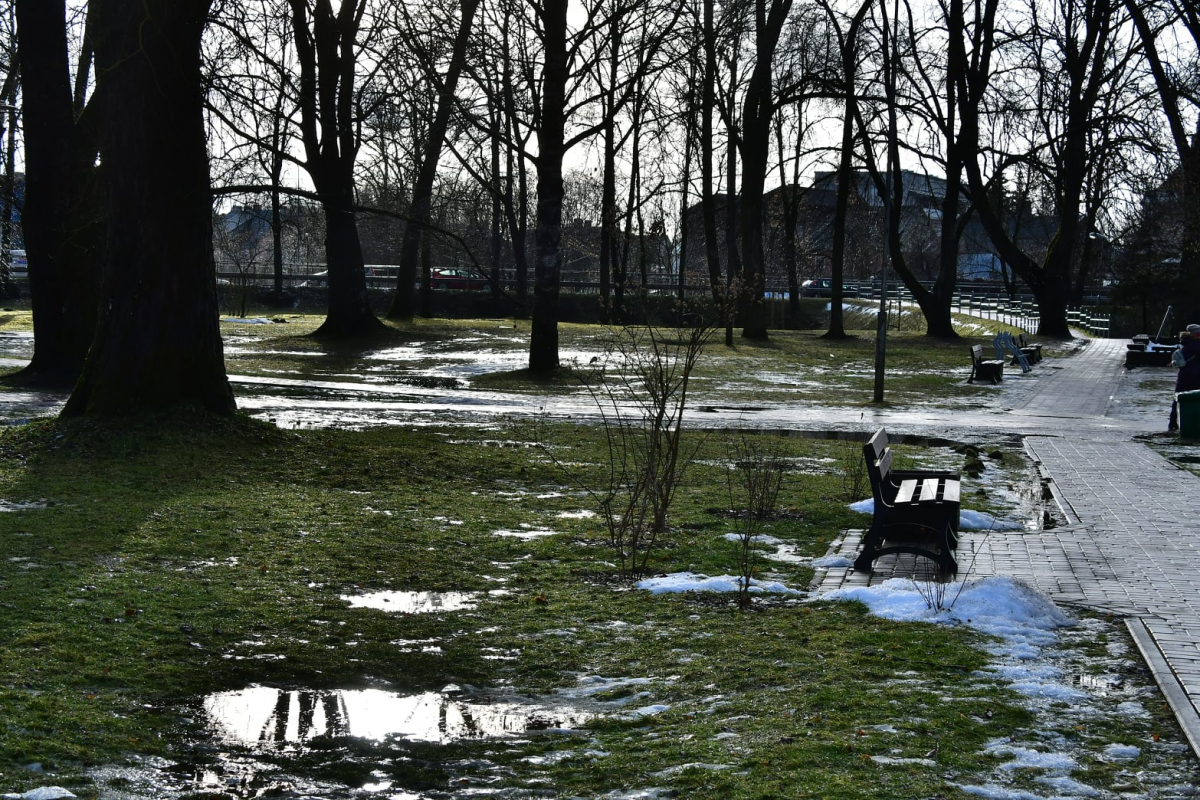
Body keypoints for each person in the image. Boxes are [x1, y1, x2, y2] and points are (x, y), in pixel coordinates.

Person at [1169, 323, 1200, 431]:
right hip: (1196, 377)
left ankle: (1173, 424)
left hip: (1183, 377)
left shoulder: (1185, 344)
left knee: (1178, 399)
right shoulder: (1196, 345)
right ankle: (1193, 425)